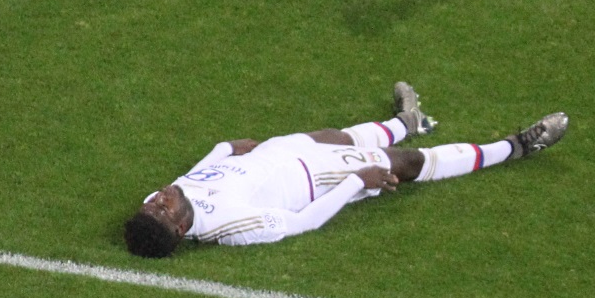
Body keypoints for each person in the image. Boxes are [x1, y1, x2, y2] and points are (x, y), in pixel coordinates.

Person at [124, 82, 568, 258]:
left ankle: (406, 122)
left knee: (333, 133)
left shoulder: (155, 204)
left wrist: (223, 149)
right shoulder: (233, 227)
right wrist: (357, 182)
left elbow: (189, 178)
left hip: (282, 151)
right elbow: (303, 222)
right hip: (318, 177)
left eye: (155, 204)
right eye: (163, 209)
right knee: (406, 164)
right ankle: (515, 147)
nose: (160, 199)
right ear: (181, 230)